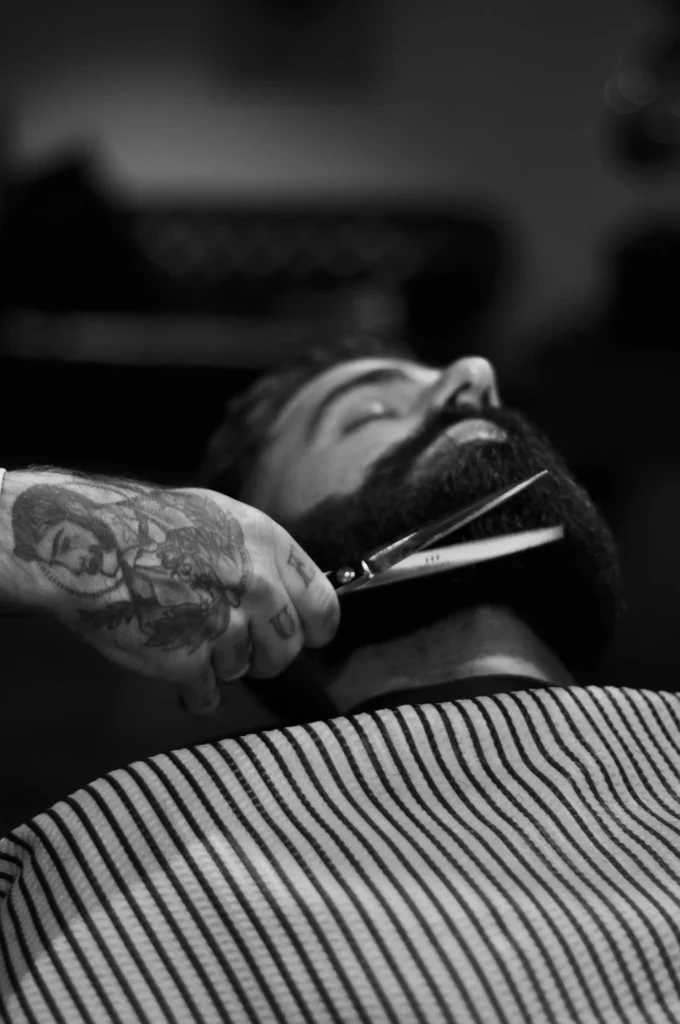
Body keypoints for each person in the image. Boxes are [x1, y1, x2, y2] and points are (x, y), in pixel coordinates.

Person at [3, 336, 680, 1024]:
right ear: (254, 556)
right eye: (370, 410)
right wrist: (22, 524)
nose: (476, 376)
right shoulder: (102, 861)